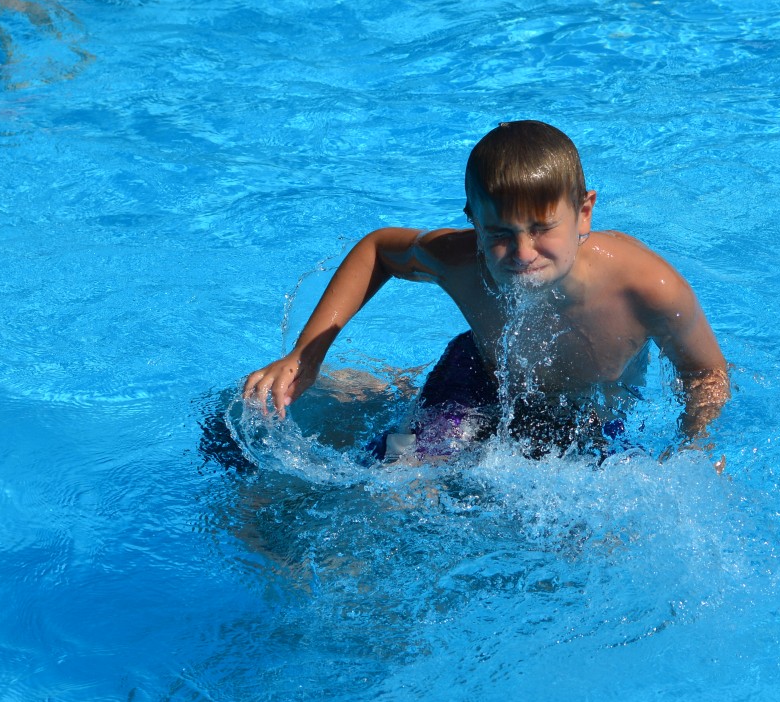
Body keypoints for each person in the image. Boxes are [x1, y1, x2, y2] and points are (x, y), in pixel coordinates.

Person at [243, 120, 730, 459]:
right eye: (499, 234)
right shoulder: (462, 261)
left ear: (584, 212)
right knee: (398, 475)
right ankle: (380, 400)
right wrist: (305, 356)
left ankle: (379, 391)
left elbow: (706, 372)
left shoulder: (647, 288)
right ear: (474, 223)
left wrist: (695, 446)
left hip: (588, 413)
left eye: (542, 228)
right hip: (473, 379)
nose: (522, 252)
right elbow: (379, 250)